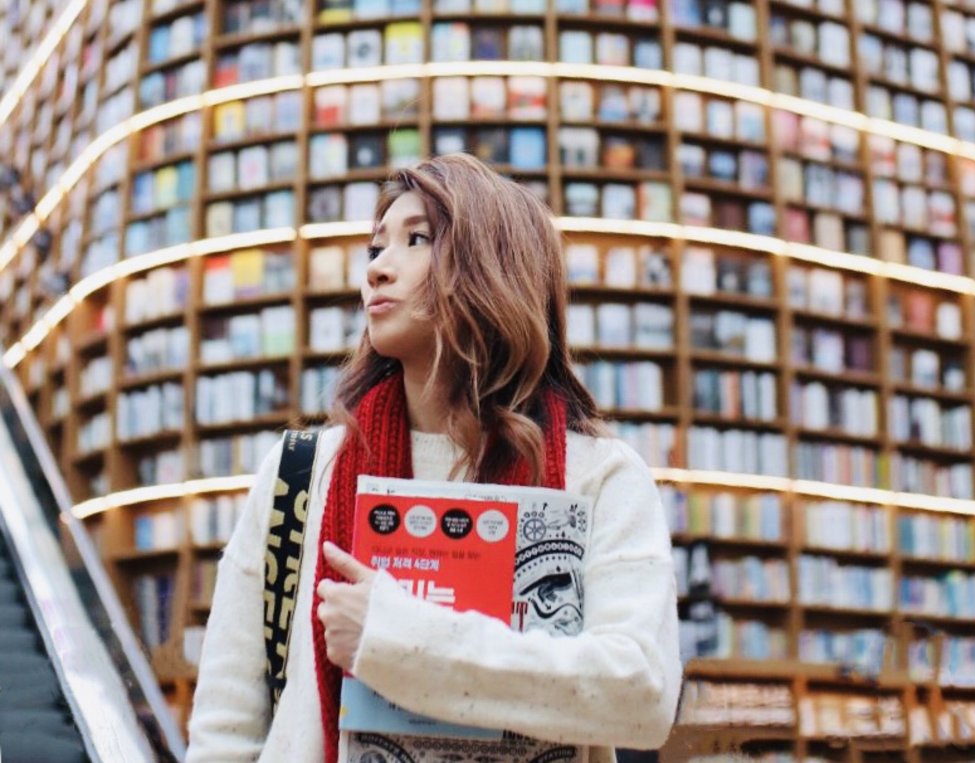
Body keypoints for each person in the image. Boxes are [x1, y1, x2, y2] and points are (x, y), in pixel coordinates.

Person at [187, 153, 681, 762]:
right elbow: (224, 731)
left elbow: (643, 692)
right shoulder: (301, 474)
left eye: (415, 239)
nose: (377, 271)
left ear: (493, 265)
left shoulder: (600, 476)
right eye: (375, 249)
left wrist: (400, 641)